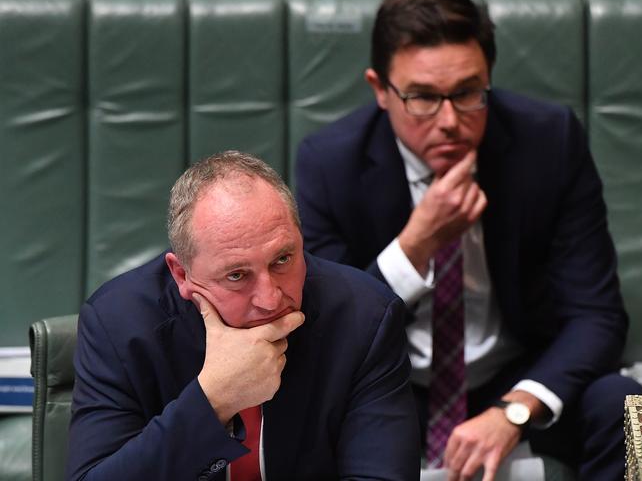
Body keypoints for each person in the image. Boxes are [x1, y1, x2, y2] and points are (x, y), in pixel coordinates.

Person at [294, 0, 642, 479]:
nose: (449, 121)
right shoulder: (329, 163)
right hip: (390, 385)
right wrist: (414, 246)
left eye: (468, 92)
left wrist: (517, 409)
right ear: (380, 89)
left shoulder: (550, 141)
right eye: (421, 97)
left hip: (516, 374)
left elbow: (598, 315)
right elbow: (329, 334)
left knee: (635, 414)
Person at [66, 151, 420, 481]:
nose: (270, 299)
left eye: (282, 259)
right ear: (182, 275)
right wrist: (214, 400)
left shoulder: (365, 317)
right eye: (237, 275)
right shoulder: (118, 324)